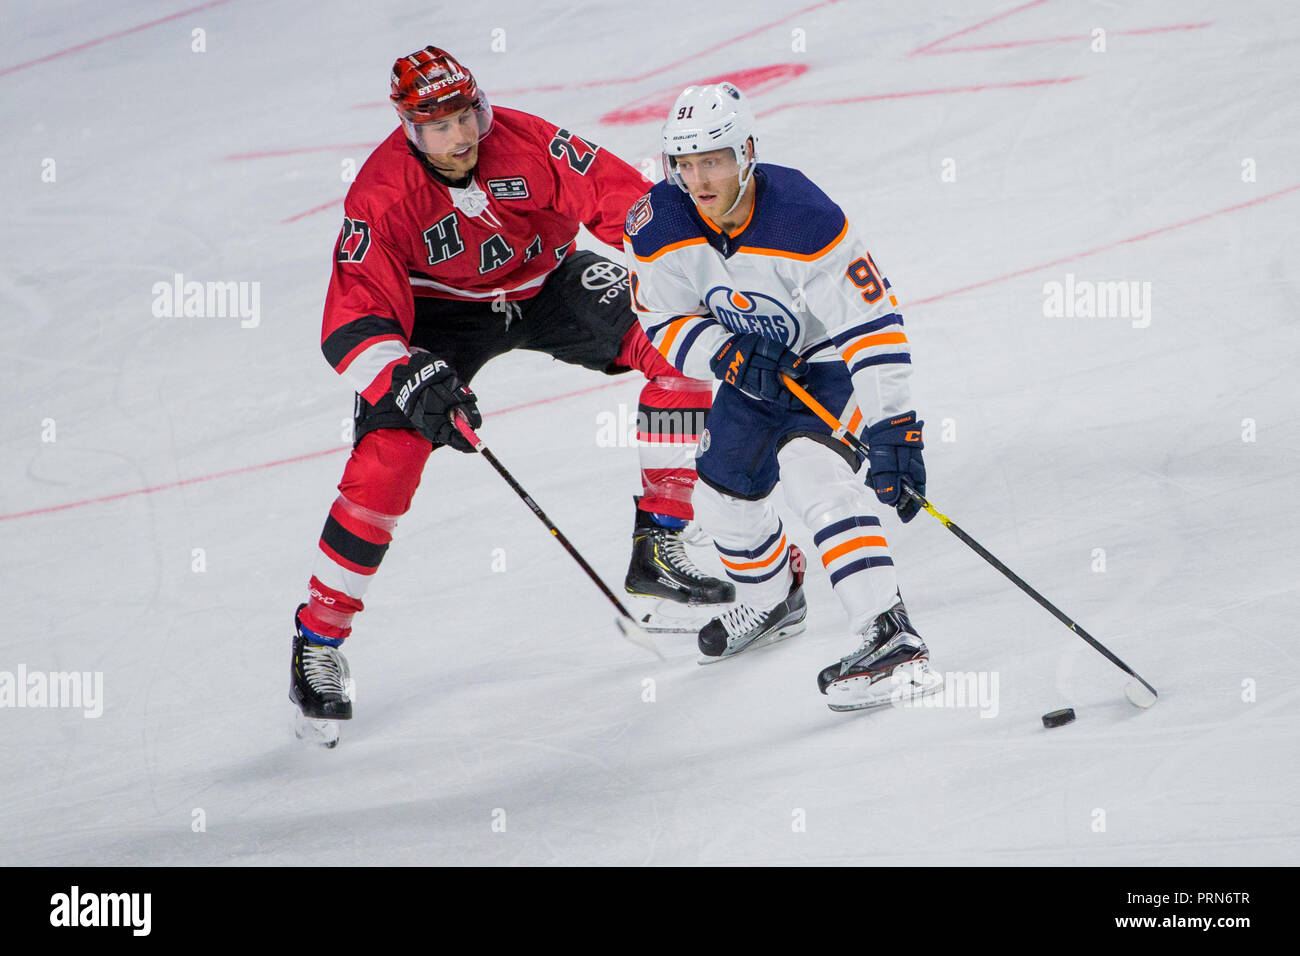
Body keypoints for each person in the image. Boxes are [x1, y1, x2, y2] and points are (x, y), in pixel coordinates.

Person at [290, 46, 732, 742]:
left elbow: (630, 209)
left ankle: (660, 546)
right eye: (440, 126)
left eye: (466, 115)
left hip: (548, 284)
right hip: (436, 320)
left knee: (681, 347)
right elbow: (354, 317)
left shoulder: (528, 142)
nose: (461, 135)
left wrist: (693, 276)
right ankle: (319, 640)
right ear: (410, 129)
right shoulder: (380, 196)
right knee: (387, 461)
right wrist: (406, 375)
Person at [623, 82, 932, 709]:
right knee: (721, 499)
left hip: (826, 363)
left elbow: (871, 326)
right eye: (685, 163)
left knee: (814, 477)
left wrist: (895, 428)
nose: (700, 179)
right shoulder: (658, 224)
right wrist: (724, 352)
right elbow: (660, 318)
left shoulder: (805, 217)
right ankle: (772, 604)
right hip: (752, 368)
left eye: (713, 159)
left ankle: (892, 637)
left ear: (747, 154)